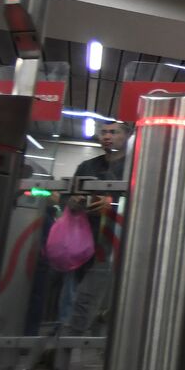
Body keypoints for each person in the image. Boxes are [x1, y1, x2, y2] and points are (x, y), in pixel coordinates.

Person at [60, 120, 129, 341]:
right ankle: (75, 340)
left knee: (96, 297)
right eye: (104, 132)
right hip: (84, 240)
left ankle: (77, 343)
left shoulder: (135, 167)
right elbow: (67, 197)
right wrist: (73, 200)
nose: (107, 136)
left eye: (113, 132)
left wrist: (114, 205)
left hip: (118, 242)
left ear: (126, 137)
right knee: (79, 294)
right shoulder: (87, 166)